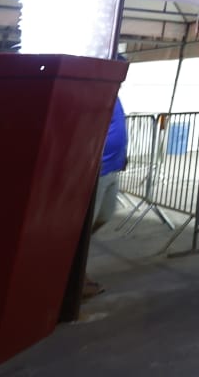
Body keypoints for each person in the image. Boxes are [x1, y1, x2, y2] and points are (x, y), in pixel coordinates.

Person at [83, 95, 128, 299]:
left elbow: (118, 128)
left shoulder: (114, 94)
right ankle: (75, 277)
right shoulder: (96, 90)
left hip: (113, 167)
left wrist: (122, 154)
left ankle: (73, 269)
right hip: (97, 169)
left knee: (105, 216)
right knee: (83, 228)